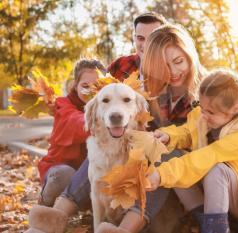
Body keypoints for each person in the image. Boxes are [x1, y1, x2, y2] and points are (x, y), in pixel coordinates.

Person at [25, 12, 167, 233]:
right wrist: (65, 105)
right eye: (140, 37)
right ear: (133, 38)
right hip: (114, 142)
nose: (145, 44)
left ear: (164, 39)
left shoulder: (174, 69)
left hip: (151, 148)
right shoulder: (121, 66)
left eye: (153, 37)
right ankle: (54, 219)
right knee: (96, 153)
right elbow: (92, 91)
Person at [96, 23, 206, 233]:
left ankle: (203, 218)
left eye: (178, 61)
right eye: (164, 65)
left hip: (199, 177)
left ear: (189, 55)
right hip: (160, 180)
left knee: (164, 155)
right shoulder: (155, 94)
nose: (173, 72)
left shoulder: (205, 91)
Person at [145, 69, 238, 233]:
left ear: (235, 109)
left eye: (210, 112)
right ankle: (204, 218)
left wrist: (161, 175)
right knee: (170, 155)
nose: (203, 115)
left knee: (215, 169)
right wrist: (169, 136)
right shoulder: (207, 113)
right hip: (219, 192)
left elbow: (206, 157)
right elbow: (188, 131)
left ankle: (215, 229)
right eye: (201, 107)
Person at [24, 58, 106, 233]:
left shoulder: (109, 107)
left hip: (90, 178)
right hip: (63, 172)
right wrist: (102, 124)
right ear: (75, 85)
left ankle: (90, 213)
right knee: (64, 175)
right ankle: (46, 208)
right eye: (85, 85)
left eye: (97, 86)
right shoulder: (63, 105)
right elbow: (77, 123)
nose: (91, 91)